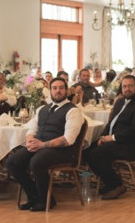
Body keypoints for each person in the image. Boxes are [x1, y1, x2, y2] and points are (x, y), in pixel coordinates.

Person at [6, 77, 83, 211]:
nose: (57, 91)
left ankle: (44, 199)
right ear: (50, 91)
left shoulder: (73, 111)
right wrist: (30, 141)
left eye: (61, 88)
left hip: (63, 151)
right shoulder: (43, 109)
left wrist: (42, 145)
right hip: (40, 146)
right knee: (13, 161)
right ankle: (33, 196)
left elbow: (68, 139)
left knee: (36, 162)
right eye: (54, 88)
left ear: (66, 91)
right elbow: (32, 128)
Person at [84, 75, 135, 200]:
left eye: (130, 86)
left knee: (97, 154)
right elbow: (111, 123)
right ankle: (109, 182)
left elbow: (134, 131)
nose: (127, 89)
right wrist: (102, 137)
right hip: (116, 142)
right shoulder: (120, 102)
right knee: (87, 150)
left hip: (130, 145)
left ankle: (116, 185)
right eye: (124, 86)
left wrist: (112, 138)